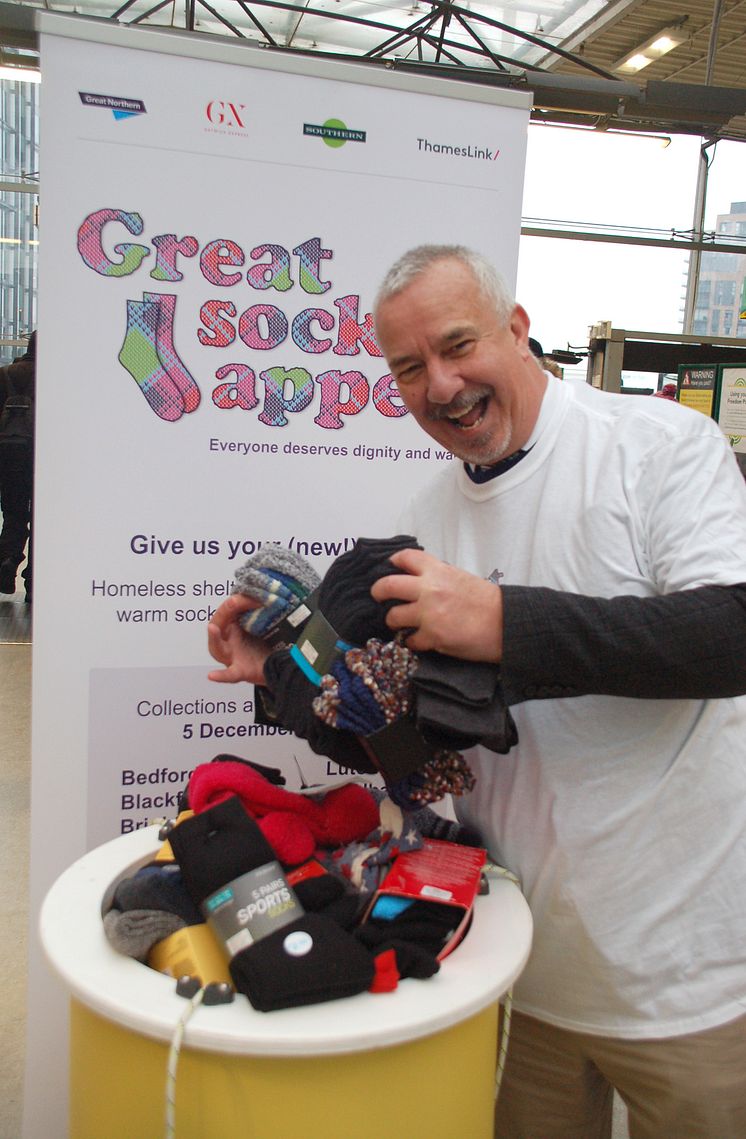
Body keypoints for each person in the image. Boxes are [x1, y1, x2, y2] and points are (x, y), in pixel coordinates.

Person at [207, 245, 746, 1138]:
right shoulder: (425, 520)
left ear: (519, 328)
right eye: (410, 367)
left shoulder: (655, 447)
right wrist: (280, 675)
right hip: (509, 967)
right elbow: (406, 746)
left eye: (460, 345)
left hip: (685, 978)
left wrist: (502, 621)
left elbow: (729, 635)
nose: (444, 384)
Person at [0, 330, 35, 603]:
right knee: (43, 520)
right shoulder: (53, 379)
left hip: (10, 453)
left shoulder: (5, 374)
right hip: (43, 455)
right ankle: (34, 580)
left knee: (13, 513)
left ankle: (7, 561)